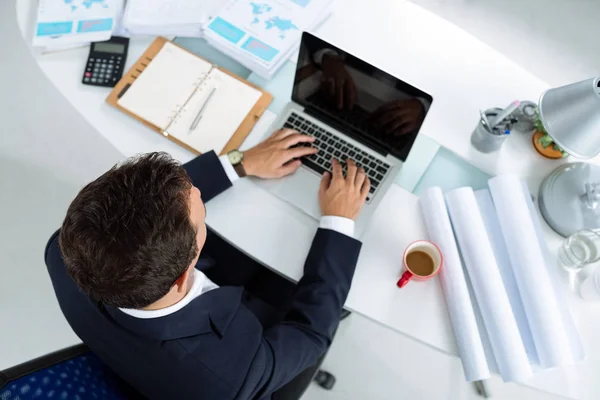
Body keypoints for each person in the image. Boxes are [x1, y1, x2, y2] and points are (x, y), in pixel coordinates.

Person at [45, 128, 370, 400]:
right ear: (185, 273)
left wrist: (238, 163)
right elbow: (310, 332)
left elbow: (159, 198)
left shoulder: (64, 250)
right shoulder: (233, 375)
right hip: (251, 360)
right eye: (200, 217)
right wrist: (338, 222)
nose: (198, 190)